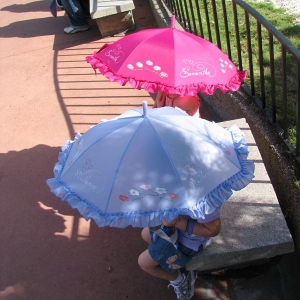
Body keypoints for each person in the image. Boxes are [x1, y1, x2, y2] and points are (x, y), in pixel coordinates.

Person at [138, 210, 221, 300]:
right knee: (145, 234)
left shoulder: (203, 201)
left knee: (144, 263)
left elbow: (212, 230)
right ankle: (165, 256)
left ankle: (181, 280)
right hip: (171, 227)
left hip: (186, 241)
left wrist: (177, 221)